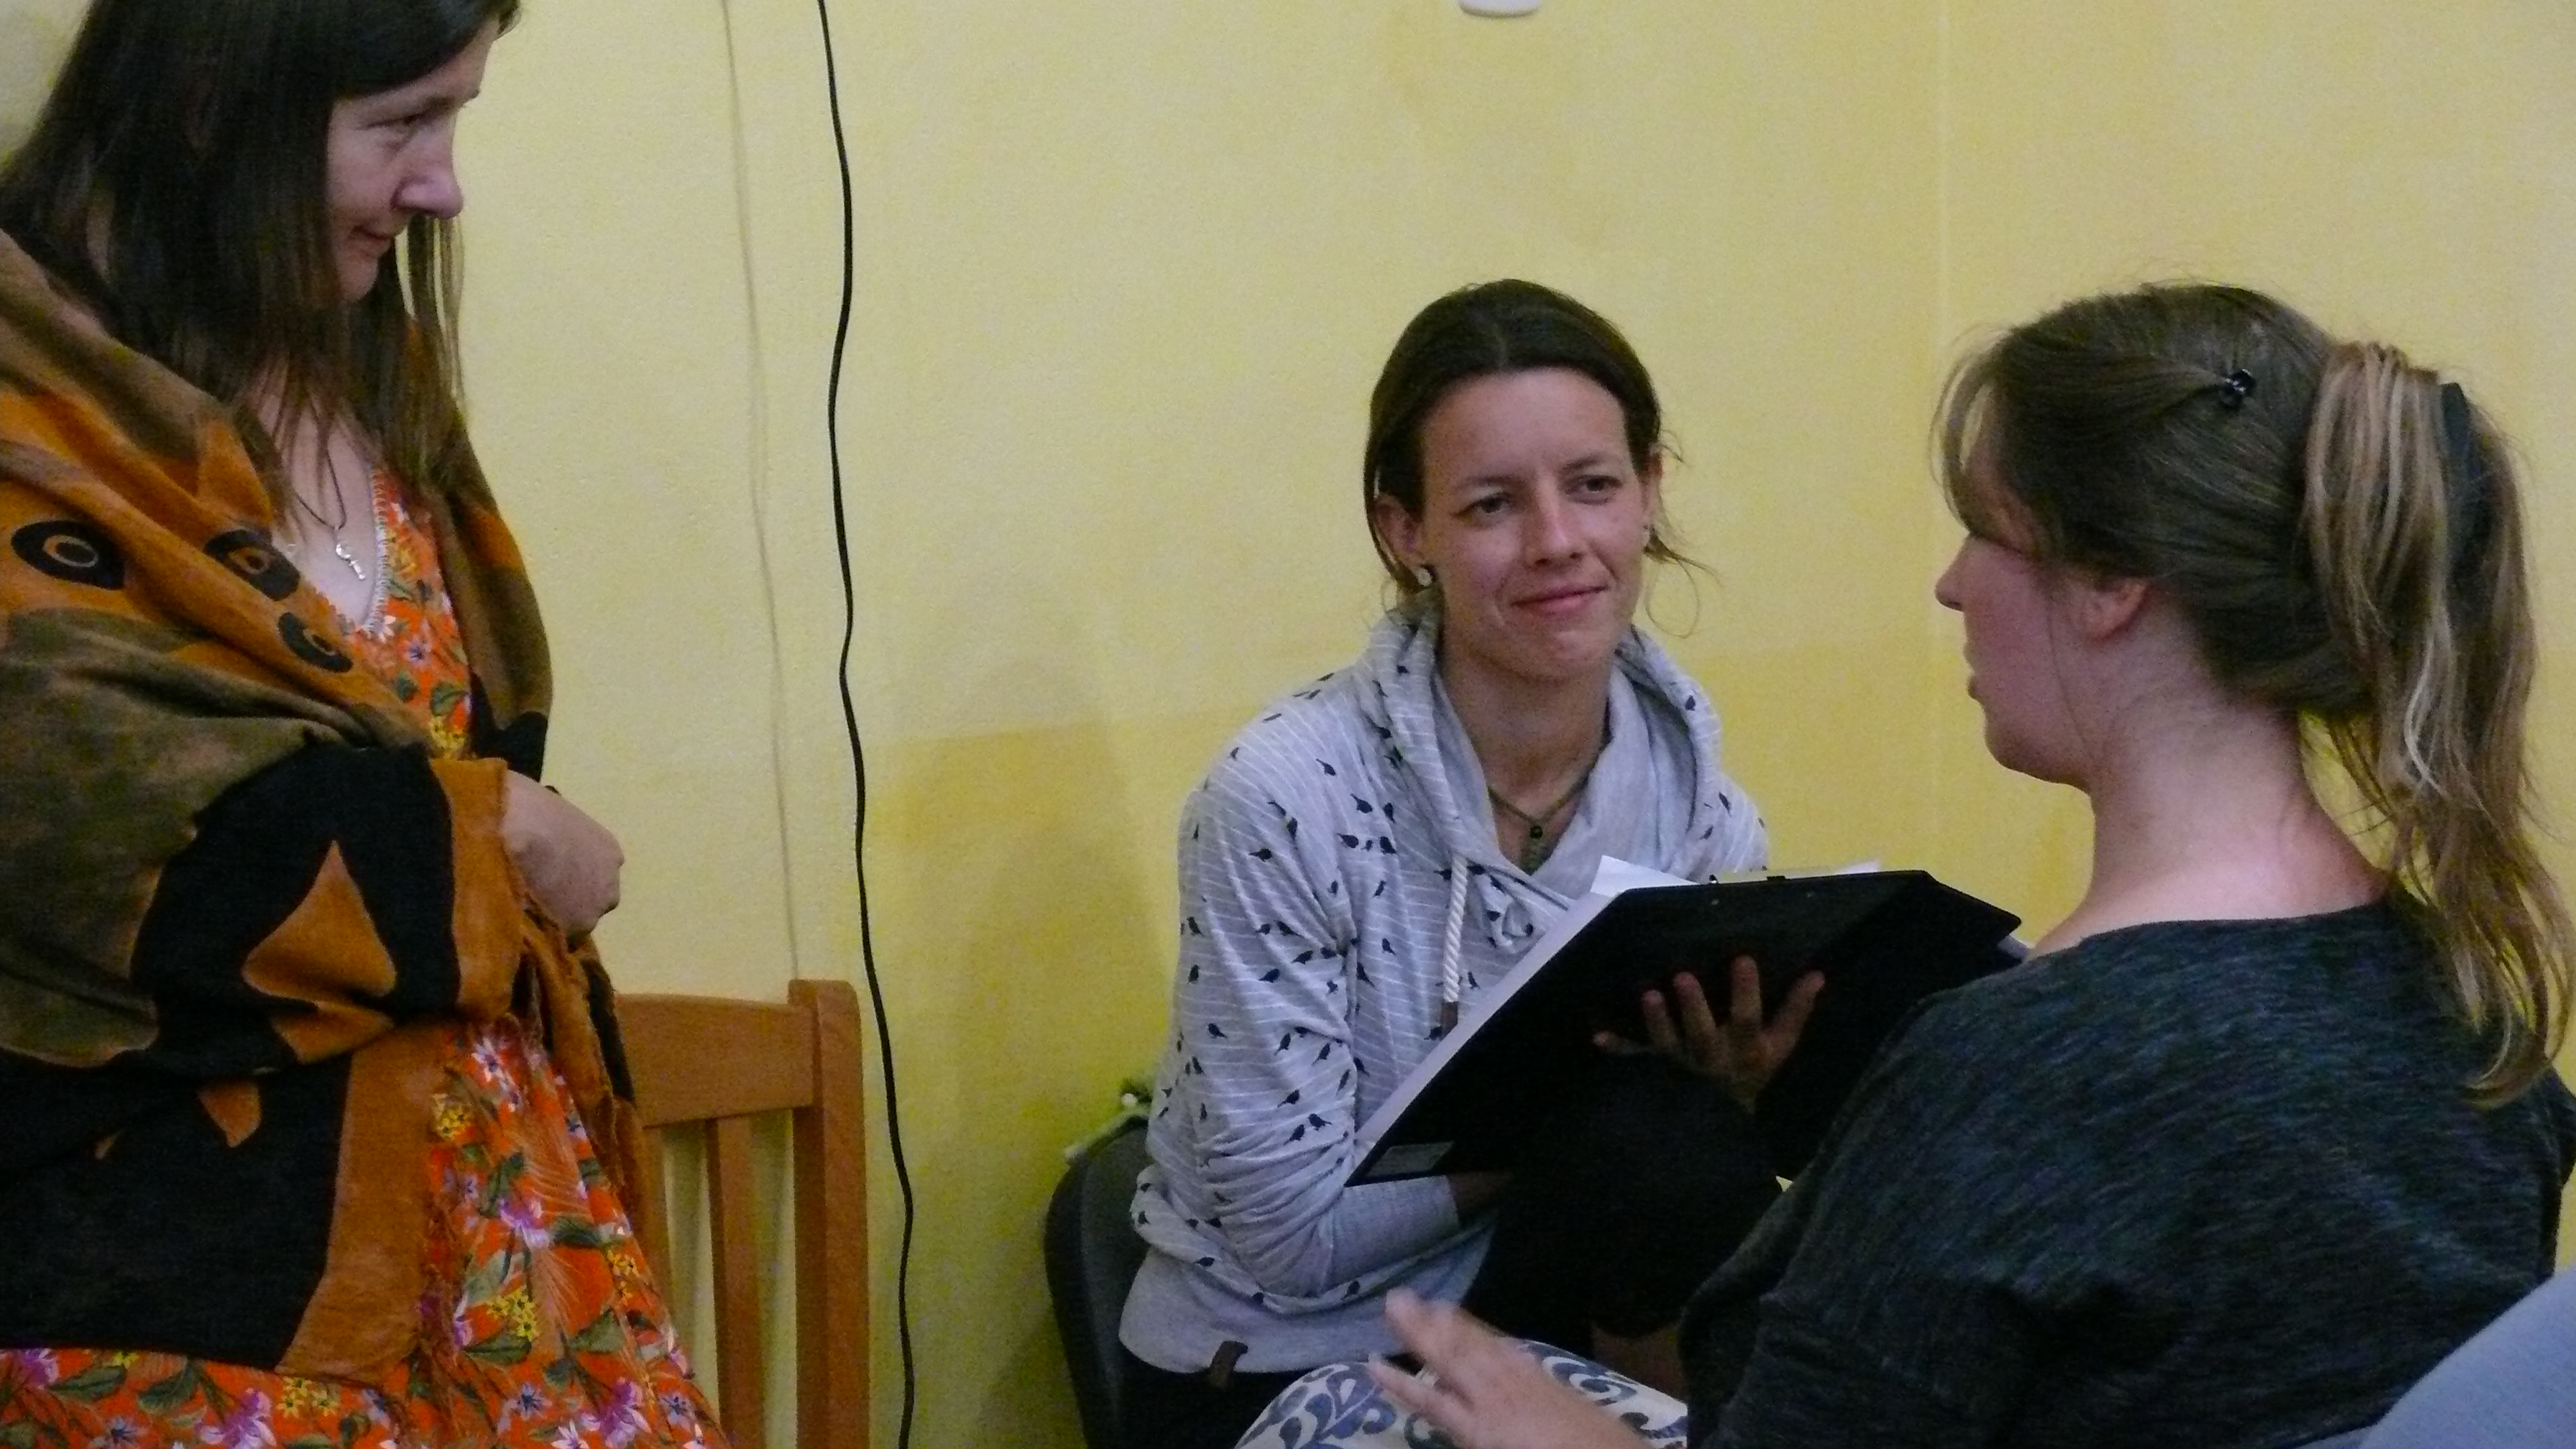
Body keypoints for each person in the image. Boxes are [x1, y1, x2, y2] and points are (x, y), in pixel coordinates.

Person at [1251, 282, 2576, 1449]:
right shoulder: (2470, 1005)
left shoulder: (2008, 1073)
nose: (1950, 586)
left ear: (2111, 579)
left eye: (1983, 530)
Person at [0, 3, 721, 1445]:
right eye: (400, 124)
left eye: (453, 119)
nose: (441, 185)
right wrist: (496, 836)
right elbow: (77, 836)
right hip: (183, 1297)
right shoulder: (39, 411)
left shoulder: (365, 389)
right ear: (212, 105)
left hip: (499, 1238)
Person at [1118, 279, 1814, 1449]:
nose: (1557, 543)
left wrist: (1736, 1091)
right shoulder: (1281, 799)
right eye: (1493, 504)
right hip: (1270, 1362)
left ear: (1650, 489)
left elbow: (1665, 1184)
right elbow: (1287, 1239)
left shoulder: (1692, 797)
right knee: (1644, 1124)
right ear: (1406, 531)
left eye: (1593, 486)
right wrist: (1574, 1106)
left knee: (1680, 1140)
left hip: (1531, 1323)